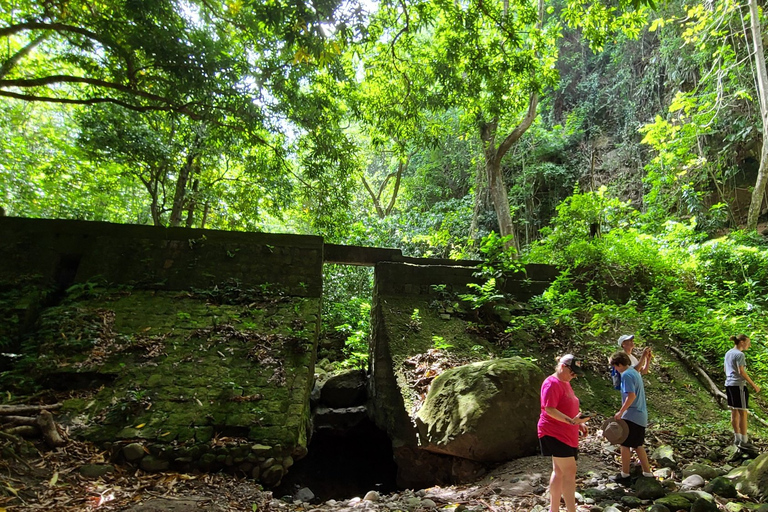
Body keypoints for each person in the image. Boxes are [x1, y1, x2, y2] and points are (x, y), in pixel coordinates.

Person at [538, 354, 590, 512]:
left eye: (576, 374)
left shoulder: (566, 383)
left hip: (568, 432)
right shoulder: (551, 383)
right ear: (562, 366)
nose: (573, 376)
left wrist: (578, 424)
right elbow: (549, 409)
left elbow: (568, 405)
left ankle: (554, 509)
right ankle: (570, 509)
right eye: (572, 372)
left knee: (559, 471)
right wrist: (571, 421)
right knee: (570, 471)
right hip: (553, 432)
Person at [610, 351, 653, 484]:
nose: (614, 369)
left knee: (625, 445)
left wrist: (621, 412)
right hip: (641, 414)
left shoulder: (627, 375)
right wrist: (646, 358)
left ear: (620, 364)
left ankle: (625, 474)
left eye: (615, 366)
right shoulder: (634, 372)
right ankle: (647, 473)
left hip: (632, 415)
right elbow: (641, 368)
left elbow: (631, 395)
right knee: (637, 445)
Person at [725, 334, 761, 449]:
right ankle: (744, 440)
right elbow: (741, 371)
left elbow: (725, 369)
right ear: (741, 342)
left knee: (734, 411)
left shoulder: (729, 353)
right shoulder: (740, 354)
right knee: (743, 412)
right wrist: (753, 385)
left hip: (729, 384)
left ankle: (737, 438)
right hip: (738, 385)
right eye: (748, 342)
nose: (749, 345)